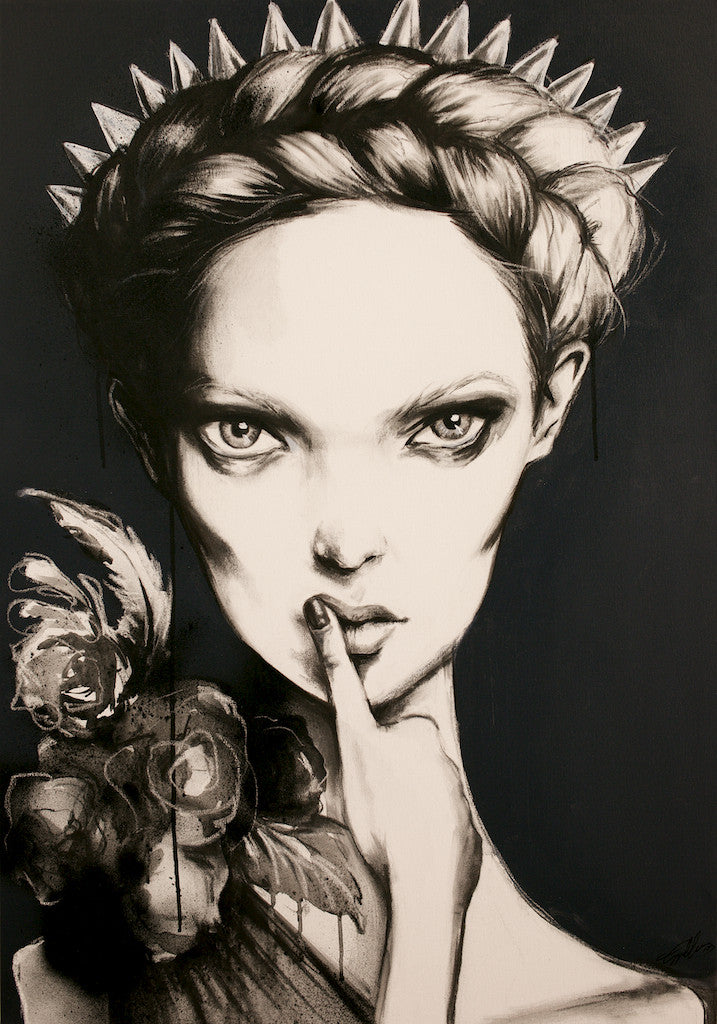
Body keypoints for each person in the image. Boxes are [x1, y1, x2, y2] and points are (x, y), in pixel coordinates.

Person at [10, 2, 707, 1022]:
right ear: (151, 437)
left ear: (552, 402)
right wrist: (423, 920)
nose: (345, 539)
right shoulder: (63, 994)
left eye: (447, 425)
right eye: (248, 431)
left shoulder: (654, 1016)